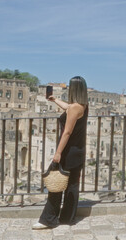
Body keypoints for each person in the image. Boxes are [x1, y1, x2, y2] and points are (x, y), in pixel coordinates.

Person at [33, 76, 88, 229]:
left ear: (73, 89)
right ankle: (67, 218)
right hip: (78, 151)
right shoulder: (82, 105)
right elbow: (68, 107)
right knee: (72, 185)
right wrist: (54, 99)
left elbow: (67, 132)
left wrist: (57, 153)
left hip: (69, 152)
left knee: (56, 184)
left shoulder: (75, 107)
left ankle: (48, 219)